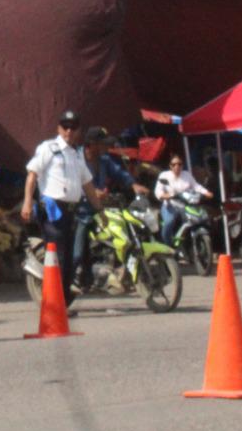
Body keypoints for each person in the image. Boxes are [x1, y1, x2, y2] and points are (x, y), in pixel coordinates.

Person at [20, 110, 102, 309]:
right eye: (65, 127)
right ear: (59, 128)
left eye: (73, 128)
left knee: (72, 259)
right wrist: (27, 201)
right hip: (52, 209)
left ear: (78, 131)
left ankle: (61, 304)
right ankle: (56, 304)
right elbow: (32, 174)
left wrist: (100, 210)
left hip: (71, 211)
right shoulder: (49, 148)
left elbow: (88, 185)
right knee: (60, 255)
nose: (69, 131)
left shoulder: (76, 154)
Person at [75, 127, 148, 291]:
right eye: (103, 144)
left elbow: (120, 173)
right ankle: (74, 277)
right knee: (78, 253)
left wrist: (134, 185)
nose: (107, 148)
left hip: (100, 208)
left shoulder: (104, 160)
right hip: (79, 211)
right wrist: (91, 192)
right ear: (92, 145)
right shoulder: (75, 158)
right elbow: (70, 182)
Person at [155, 155, 212, 245]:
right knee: (169, 221)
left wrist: (206, 192)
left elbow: (196, 186)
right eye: (174, 164)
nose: (177, 166)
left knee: (198, 219)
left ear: (182, 165)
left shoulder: (187, 174)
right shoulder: (164, 175)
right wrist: (165, 195)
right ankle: (168, 244)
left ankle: (188, 243)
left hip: (185, 206)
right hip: (170, 206)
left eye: (179, 164)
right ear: (170, 166)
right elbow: (158, 191)